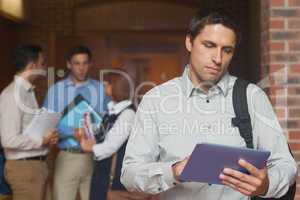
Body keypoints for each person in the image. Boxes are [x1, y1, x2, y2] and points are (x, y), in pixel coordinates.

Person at [121, 12, 298, 200]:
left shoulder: (252, 97)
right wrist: (173, 172)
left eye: (227, 50)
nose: (218, 58)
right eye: (209, 45)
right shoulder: (155, 100)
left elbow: (285, 165)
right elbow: (130, 174)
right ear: (189, 42)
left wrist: (266, 185)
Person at [43, 45, 109, 200]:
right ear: (68, 64)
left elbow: (107, 121)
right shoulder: (56, 90)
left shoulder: (99, 89)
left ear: (90, 64)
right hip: (67, 156)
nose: (81, 68)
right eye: (76, 63)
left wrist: (93, 130)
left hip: (95, 157)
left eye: (85, 63)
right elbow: (46, 125)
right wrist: (72, 132)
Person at [0, 45, 59, 200]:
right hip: (24, 169)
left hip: (36, 166)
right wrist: (41, 140)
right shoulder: (12, 95)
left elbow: (30, 130)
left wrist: (47, 138)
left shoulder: (27, 92)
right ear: (32, 66)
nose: (45, 68)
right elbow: (8, 139)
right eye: (42, 63)